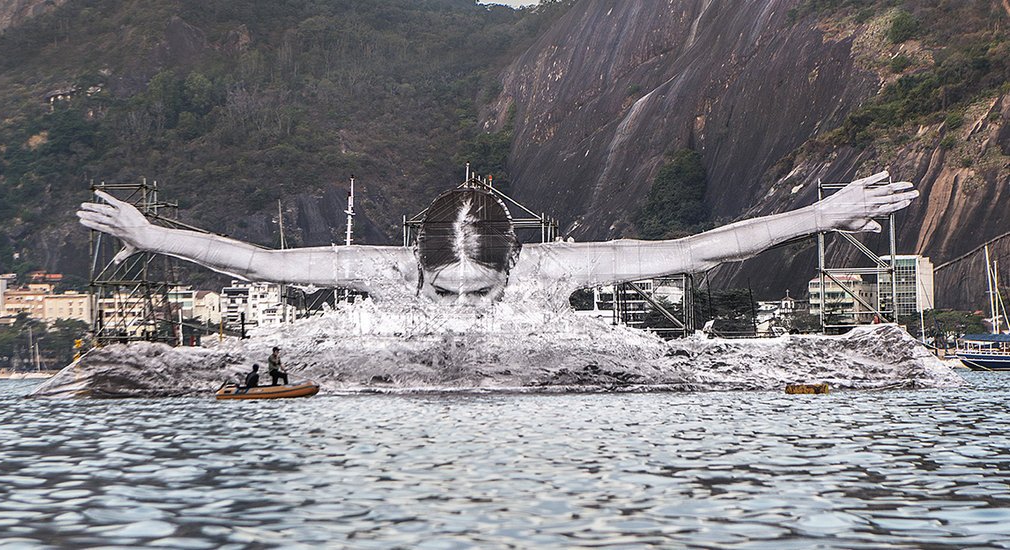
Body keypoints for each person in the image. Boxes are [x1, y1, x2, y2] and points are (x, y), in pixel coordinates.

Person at [77, 171, 918, 307]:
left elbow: (702, 248)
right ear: (418, 267)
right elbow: (258, 262)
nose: (465, 306)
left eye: (482, 293)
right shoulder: (379, 272)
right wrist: (151, 234)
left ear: (514, 264)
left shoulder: (556, 269)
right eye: (449, 292)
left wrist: (822, 214)